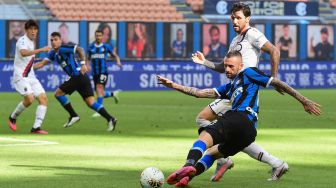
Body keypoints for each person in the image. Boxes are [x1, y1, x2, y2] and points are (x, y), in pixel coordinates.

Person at [158, 51, 321, 187]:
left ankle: (188, 165)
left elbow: (277, 82)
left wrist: (304, 100)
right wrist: (174, 85)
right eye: (226, 66)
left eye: (231, 66)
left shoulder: (248, 73)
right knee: (213, 154)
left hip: (239, 118)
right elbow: (200, 93)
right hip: (248, 133)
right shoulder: (230, 87)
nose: (227, 69)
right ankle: (189, 176)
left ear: (241, 66)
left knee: (205, 136)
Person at [192, 2, 287, 182]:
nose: (235, 21)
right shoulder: (235, 41)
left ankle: (225, 159)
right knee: (233, 134)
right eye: (233, 18)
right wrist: (204, 62)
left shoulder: (252, 34)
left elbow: (274, 51)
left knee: (205, 120)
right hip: (234, 89)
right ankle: (275, 163)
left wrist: (274, 80)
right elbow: (223, 67)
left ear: (247, 19)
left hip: (245, 91)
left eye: (238, 18)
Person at [33, 32, 117, 132]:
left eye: (56, 39)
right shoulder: (52, 53)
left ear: (60, 40)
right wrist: (29, 68)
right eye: (51, 40)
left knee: (58, 94)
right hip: (82, 78)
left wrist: (83, 64)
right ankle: (110, 118)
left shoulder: (63, 48)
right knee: (91, 102)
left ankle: (73, 115)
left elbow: (80, 49)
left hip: (77, 75)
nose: (53, 42)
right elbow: (42, 63)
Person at [8, 19, 50, 134]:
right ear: (26, 30)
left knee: (43, 99)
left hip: (31, 76)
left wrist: (39, 65)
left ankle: (36, 128)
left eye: (35, 29)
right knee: (30, 99)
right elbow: (23, 53)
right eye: (30, 29)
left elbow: (28, 62)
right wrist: (42, 50)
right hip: (21, 76)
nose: (33, 31)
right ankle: (12, 117)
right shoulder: (22, 41)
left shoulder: (32, 42)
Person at [88, 30, 122, 117]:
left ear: (102, 37)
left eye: (100, 36)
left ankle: (99, 110)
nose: (98, 37)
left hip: (103, 72)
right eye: (97, 35)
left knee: (99, 88)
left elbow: (115, 55)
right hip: (95, 73)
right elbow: (87, 58)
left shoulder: (106, 47)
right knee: (100, 93)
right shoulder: (91, 47)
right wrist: (87, 65)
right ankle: (113, 94)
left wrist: (118, 62)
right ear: (95, 36)